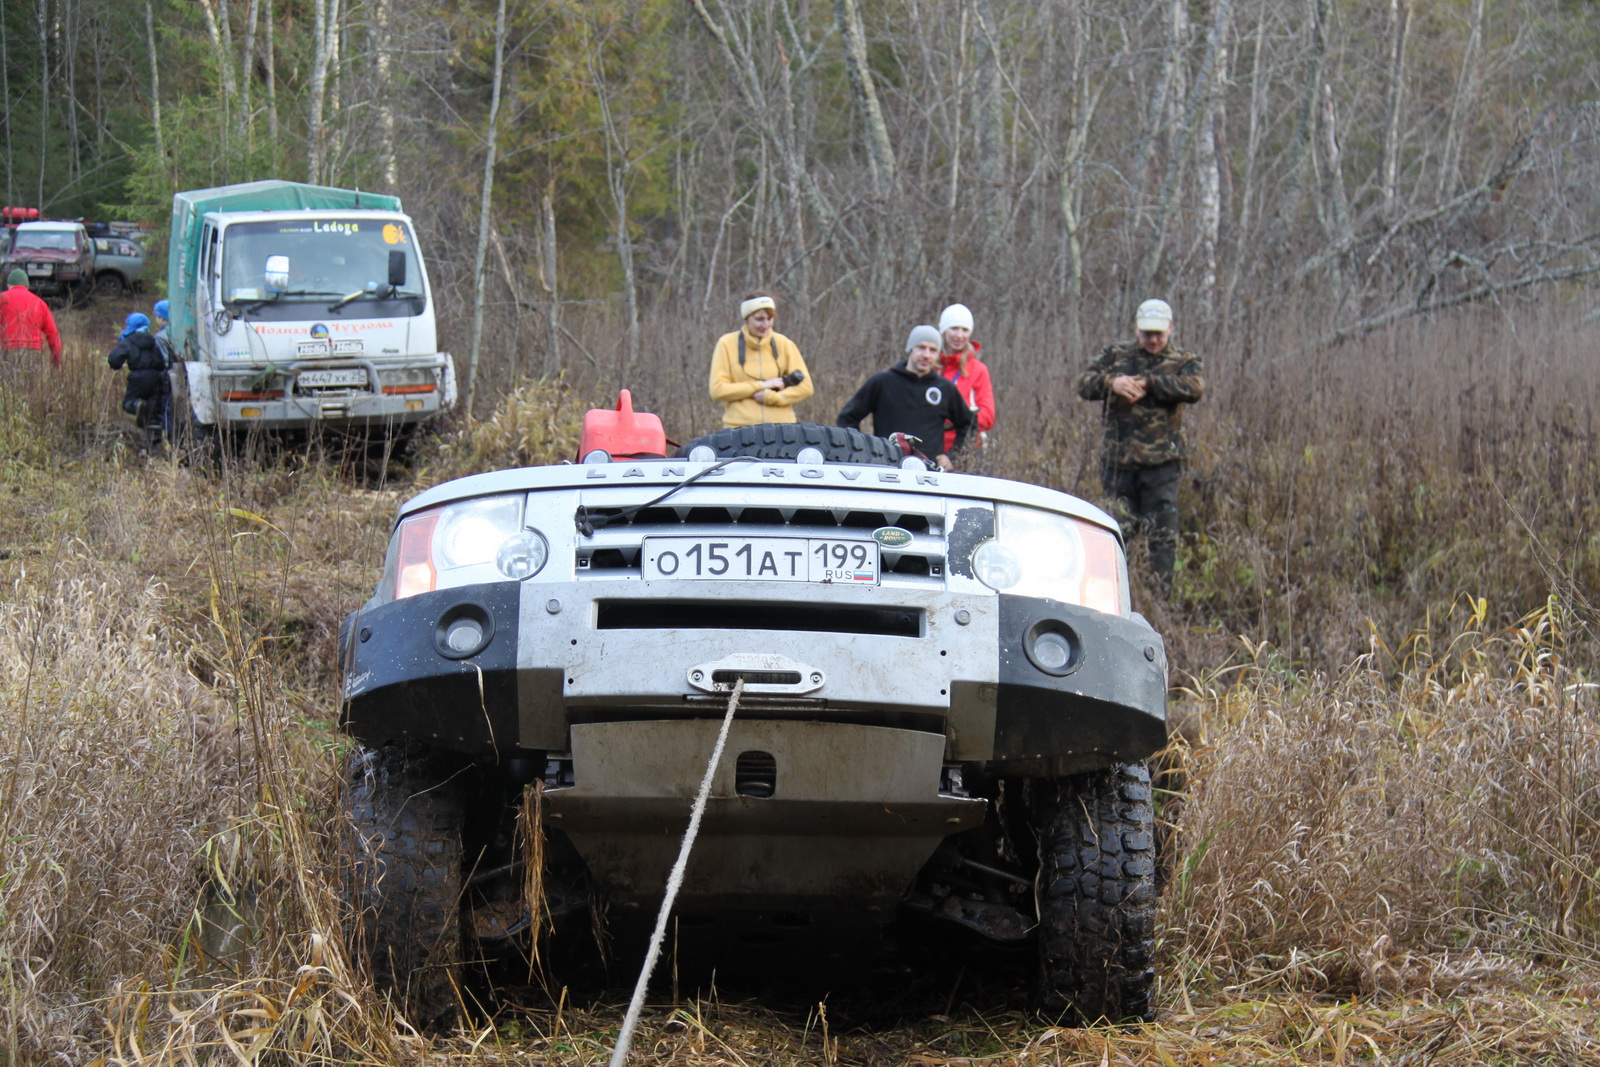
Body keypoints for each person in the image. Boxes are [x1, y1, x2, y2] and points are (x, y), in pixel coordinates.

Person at [1077, 298, 1205, 594]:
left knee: (1162, 537)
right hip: (1118, 465)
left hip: (1162, 465)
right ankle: (1114, 596)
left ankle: (1161, 599)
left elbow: (1195, 387)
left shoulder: (1184, 361)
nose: (1153, 340)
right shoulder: (1116, 355)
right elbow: (1083, 383)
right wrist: (1113, 383)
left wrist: (1149, 384)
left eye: (1158, 333)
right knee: (1115, 535)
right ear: (1137, 328)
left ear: (1170, 329)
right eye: (1148, 333)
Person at [838, 325, 973, 471]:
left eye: (933, 350)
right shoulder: (883, 382)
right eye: (921, 347)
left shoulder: (945, 389)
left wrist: (951, 456)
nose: (926, 355)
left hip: (929, 473)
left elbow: (970, 424)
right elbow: (847, 418)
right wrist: (862, 451)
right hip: (886, 471)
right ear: (911, 348)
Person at [708, 292, 814, 428]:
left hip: (782, 428)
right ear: (747, 318)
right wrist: (762, 385)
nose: (765, 324)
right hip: (739, 428)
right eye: (759, 319)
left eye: (770, 319)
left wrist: (773, 398)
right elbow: (718, 390)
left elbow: (806, 387)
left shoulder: (785, 344)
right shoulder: (726, 344)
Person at [937, 303, 994, 455]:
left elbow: (988, 417)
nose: (959, 335)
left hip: (968, 449)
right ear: (944, 330)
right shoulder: (930, 366)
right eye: (954, 328)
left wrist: (957, 418)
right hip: (932, 446)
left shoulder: (979, 370)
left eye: (965, 330)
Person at [107, 312, 169, 448]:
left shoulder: (128, 340)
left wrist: (118, 366)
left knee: (128, 402)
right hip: (157, 378)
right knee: (154, 413)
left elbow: (114, 359)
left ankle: (137, 405)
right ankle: (154, 446)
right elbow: (161, 360)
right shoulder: (153, 340)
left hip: (138, 377)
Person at [0, 267, 64, 370]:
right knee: (33, 380)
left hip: (8, 350)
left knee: (9, 380)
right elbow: (53, 334)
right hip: (35, 352)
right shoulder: (40, 303)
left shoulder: (2, 299)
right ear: (27, 286)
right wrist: (57, 361)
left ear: (9, 285)